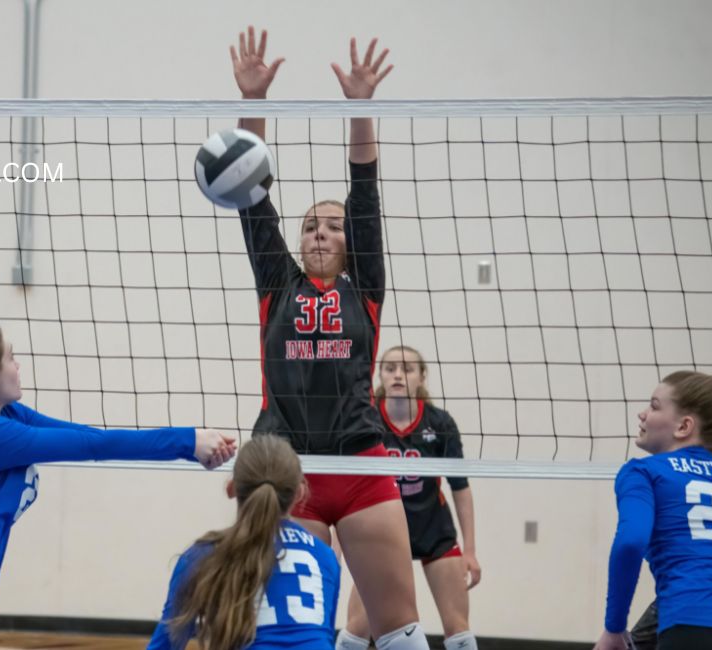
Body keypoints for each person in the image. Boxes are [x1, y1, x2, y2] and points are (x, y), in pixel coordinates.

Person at [231, 26, 427, 650]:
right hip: (288, 470)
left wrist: (360, 110)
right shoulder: (277, 284)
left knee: (398, 630)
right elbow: (251, 195)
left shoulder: (364, 287)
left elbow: (364, 192)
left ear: (349, 244)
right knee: (292, 632)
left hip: (359, 462)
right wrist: (254, 105)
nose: (318, 233)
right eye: (310, 225)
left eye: (332, 227)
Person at [0, 322, 237, 650]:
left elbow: (88, 437)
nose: (18, 366)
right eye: (11, 358)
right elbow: (94, 447)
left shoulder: (6, 417)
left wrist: (192, 449)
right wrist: (187, 441)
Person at [595, 371, 712, 650]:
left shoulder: (643, 472)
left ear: (684, 426)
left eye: (653, 405)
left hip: (693, 626)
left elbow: (630, 542)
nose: (642, 414)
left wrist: (614, 628)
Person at [343, 346, 479, 649]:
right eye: (390, 368)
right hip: (383, 531)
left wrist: (470, 550)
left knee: (459, 631)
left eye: (406, 369)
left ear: (422, 377)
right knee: (356, 631)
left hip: (434, 530)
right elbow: (347, 484)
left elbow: (460, 486)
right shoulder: (366, 422)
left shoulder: (440, 424)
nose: (398, 375)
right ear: (380, 375)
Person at [148, 434, 339, 649]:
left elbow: (165, 644)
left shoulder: (202, 555)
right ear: (300, 493)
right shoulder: (325, 556)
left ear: (232, 488)